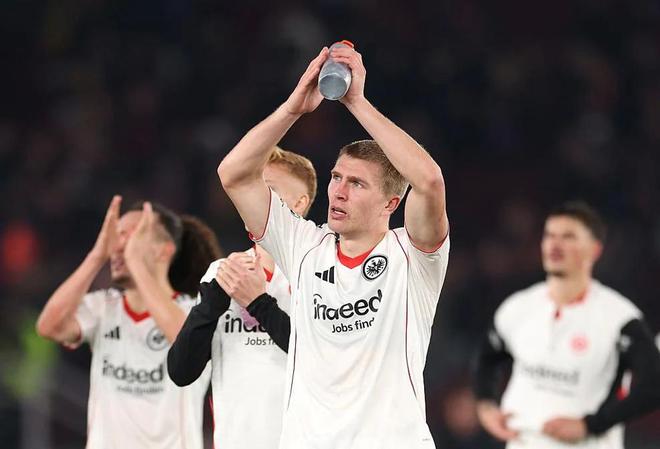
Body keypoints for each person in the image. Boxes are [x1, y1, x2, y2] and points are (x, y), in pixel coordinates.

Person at [217, 45, 450, 449]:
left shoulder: (413, 256)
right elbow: (233, 174)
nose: (339, 192)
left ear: (391, 203)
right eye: (336, 177)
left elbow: (428, 181)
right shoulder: (304, 246)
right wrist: (293, 108)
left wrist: (356, 102)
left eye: (356, 183)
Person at [36, 196, 222, 449]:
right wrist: (97, 255)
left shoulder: (194, 311)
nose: (119, 246)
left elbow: (187, 344)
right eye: (117, 236)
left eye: (131, 236)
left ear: (164, 250)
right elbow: (49, 327)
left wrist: (135, 262)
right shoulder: (103, 307)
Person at [473, 201, 660, 449]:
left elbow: (653, 385)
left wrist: (590, 425)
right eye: (549, 235)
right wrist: (486, 405)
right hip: (523, 442)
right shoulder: (518, 307)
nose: (555, 244)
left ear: (594, 250)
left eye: (568, 237)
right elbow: (487, 359)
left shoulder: (620, 318)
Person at [167, 147, 318, 449]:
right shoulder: (221, 272)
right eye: (250, 190)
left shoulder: (320, 271)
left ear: (299, 203)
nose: (252, 200)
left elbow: (322, 360)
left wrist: (258, 302)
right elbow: (182, 372)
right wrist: (211, 305)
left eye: (267, 190)